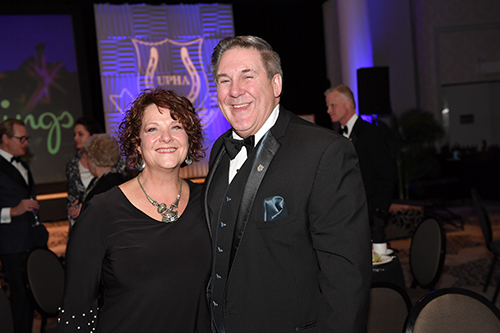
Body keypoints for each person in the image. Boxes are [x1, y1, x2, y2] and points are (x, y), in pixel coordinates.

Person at [205, 36, 371, 332]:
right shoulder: (219, 149)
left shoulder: (324, 152)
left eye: (247, 76)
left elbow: (347, 279)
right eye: (224, 80)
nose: (234, 91)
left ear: (276, 84)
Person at [57, 88, 211, 332]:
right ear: (137, 143)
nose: (166, 137)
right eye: (152, 129)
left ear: (189, 138)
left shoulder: (208, 201)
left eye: (176, 127)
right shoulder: (101, 211)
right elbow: (76, 309)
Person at [325, 84, 396, 245]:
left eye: (333, 105)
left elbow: (387, 172)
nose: (329, 111)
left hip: (369, 214)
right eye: (328, 106)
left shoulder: (370, 132)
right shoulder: (337, 136)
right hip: (347, 215)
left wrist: (379, 210)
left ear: (349, 104)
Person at [0, 119, 40, 333]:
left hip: (31, 238)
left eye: (27, 138)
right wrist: (12, 211)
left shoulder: (22, 164)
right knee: (20, 295)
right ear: (5, 139)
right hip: (10, 241)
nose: (25, 142)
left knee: (33, 293)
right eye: (21, 138)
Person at [65, 117, 128, 227]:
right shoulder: (74, 165)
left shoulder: (107, 184)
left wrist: (85, 212)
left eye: (80, 134)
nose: (76, 138)